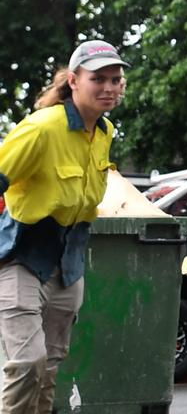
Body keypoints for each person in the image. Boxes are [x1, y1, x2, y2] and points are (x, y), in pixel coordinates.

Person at [0, 40, 128, 412]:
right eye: (98, 78)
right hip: (22, 256)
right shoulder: (42, 128)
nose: (109, 87)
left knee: (48, 369)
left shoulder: (104, 132)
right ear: (73, 81)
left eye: (115, 79)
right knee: (26, 364)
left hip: (68, 262)